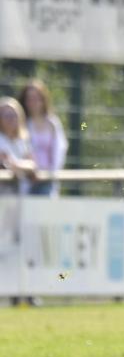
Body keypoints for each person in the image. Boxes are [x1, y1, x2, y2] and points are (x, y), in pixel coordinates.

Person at [0, 96, 39, 307]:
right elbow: (8, 164)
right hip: (4, 202)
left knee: (21, 247)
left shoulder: (23, 140)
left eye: (14, 114)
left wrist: (17, 164)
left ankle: (23, 292)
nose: (11, 118)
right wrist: (19, 165)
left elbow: (32, 167)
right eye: (6, 114)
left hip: (20, 201)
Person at [18, 79, 69, 197]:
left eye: (36, 98)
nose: (33, 102)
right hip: (27, 180)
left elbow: (59, 150)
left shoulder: (53, 123)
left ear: (43, 100)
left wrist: (51, 174)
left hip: (48, 179)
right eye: (29, 99)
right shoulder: (22, 123)